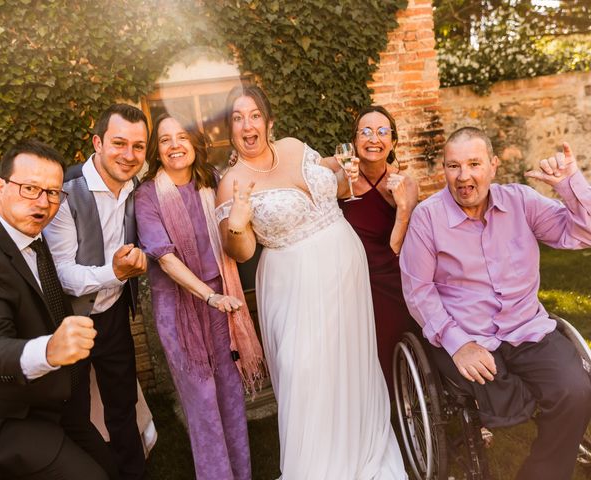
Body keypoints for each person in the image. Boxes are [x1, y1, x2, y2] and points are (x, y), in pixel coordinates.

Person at [215, 85, 406, 479]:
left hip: (345, 270)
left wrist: (342, 170)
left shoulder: (294, 146)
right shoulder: (231, 181)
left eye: (254, 115)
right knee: (303, 371)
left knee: (349, 364)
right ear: (230, 129)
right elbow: (244, 251)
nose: (247, 125)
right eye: (237, 118)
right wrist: (236, 222)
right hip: (293, 283)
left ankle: (359, 450)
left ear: (268, 122)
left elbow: (332, 188)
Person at [400, 126, 591, 480]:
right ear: (443, 170)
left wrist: (569, 185)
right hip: (468, 335)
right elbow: (418, 291)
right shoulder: (428, 218)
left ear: (493, 166)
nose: (464, 176)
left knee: (577, 390)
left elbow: (584, 232)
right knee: (510, 407)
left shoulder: (521, 201)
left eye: (474, 164)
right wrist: (458, 345)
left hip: (527, 328)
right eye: (453, 166)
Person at [0, 139, 119, 479]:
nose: (43, 203)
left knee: (108, 468)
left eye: (53, 192)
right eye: (30, 189)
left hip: (46, 402)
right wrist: (50, 349)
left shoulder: (27, 234)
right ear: (1, 186)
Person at [135, 112, 264, 479]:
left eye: (182, 136)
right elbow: (165, 258)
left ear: (194, 142)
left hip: (224, 305)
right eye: (165, 140)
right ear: (157, 151)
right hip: (180, 311)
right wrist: (209, 296)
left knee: (230, 396)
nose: (175, 145)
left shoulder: (214, 183)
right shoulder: (147, 196)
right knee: (204, 404)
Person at [43, 104, 149, 480]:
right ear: (97, 142)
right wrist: (115, 271)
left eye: (138, 146)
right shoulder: (65, 193)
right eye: (119, 143)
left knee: (123, 405)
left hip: (115, 313)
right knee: (76, 412)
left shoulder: (137, 186)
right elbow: (64, 275)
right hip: (70, 320)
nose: (129, 155)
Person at [337, 106, 418, 394]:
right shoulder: (339, 181)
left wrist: (404, 208)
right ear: (355, 140)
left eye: (383, 132)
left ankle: (407, 398)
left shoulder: (405, 183)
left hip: (393, 275)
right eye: (366, 132)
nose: (374, 139)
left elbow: (398, 246)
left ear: (393, 142)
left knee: (399, 332)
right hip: (353, 282)